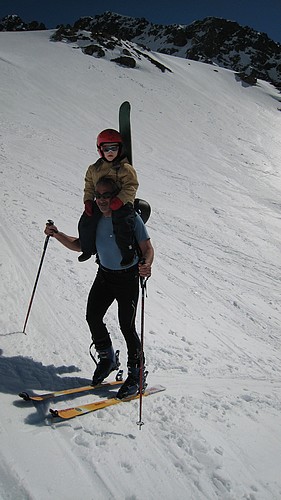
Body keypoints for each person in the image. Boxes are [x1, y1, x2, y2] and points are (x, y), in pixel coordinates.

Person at [45, 177, 154, 399]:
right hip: (105, 276)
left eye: (107, 195)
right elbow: (80, 245)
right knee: (93, 316)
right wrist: (56, 234)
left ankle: (137, 373)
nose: (102, 200)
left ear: (116, 197)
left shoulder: (130, 218)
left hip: (128, 279)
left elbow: (147, 248)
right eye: (99, 196)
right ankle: (108, 359)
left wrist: (147, 264)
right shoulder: (93, 219)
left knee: (127, 326)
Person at [78, 129, 139, 266]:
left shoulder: (125, 168)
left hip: (121, 203)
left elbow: (131, 186)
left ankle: (127, 253)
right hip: (102, 202)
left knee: (123, 223)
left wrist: (121, 200)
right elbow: (89, 185)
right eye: (106, 149)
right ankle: (87, 249)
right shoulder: (94, 169)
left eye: (114, 148)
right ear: (100, 150)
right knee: (86, 222)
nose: (110, 152)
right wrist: (88, 200)